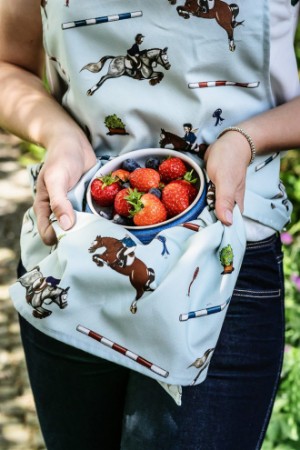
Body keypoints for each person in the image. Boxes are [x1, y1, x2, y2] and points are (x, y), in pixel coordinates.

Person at [1, 1, 300, 449]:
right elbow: (8, 64)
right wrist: (59, 135)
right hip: (77, 249)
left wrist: (246, 139)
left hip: (224, 265)